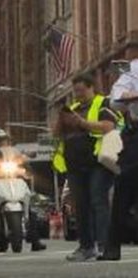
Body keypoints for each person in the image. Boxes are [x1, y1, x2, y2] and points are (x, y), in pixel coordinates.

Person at [52, 74, 120, 262]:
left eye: (81, 90)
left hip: (98, 162)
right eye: (76, 91)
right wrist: (61, 119)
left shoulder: (103, 103)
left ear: (91, 87)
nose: (78, 94)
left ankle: (104, 245)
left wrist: (81, 123)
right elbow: (56, 135)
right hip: (74, 165)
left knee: (98, 201)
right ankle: (86, 247)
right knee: (80, 206)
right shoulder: (72, 108)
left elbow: (108, 126)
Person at [0, 129, 46, 253]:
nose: (2, 142)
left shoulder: (16, 153)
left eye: (4, 140)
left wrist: (27, 170)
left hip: (15, 182)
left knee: (31, 209)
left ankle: (35, 240)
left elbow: (25, 165)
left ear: (8, 141)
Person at [103, 49, 138, 261]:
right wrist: (131, 96)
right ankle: (112, 245)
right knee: (125, 184)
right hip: (136, 134)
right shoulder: (134, 69)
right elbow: (115, 98)